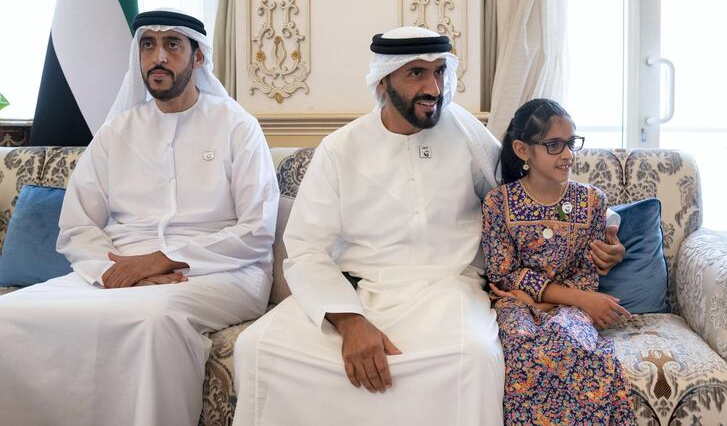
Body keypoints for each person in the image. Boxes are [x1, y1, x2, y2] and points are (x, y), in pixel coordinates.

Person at [232, 27, 626, 425]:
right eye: (416, 73)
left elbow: (521, 187)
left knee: (474, 354)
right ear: (383, 81)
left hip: (448, 287)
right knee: (256, 347)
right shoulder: (341, 148)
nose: (433, 86)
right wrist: (350, 323)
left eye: (439, 71)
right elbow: (304, 248)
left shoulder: (461, 128)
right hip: (364, 291)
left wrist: (603, 226)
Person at [0, 9, 279, 426]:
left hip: (223, 270)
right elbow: (77, 226)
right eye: (148, 45)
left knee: (153, 321)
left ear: (198, 57)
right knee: (11, 315)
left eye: (172, 45)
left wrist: (163, 259)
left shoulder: (237, 127)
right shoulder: (117, 132)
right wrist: (118, 272)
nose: (158, 57)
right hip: (120, 269)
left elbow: (256, 231)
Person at [481, 98, 635, 425]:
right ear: (523, 150)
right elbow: (502, 273)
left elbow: (587, 273)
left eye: (570, 143)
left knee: (574, 343)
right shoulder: (499, 203)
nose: (567, 154)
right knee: (521, 347)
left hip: (570, 308)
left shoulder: (592, 201)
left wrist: (549, 302)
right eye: (554, 145)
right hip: (514, 305)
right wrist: (533, 302)